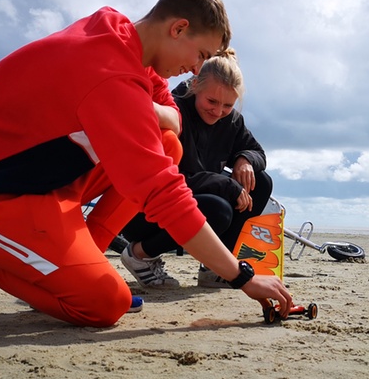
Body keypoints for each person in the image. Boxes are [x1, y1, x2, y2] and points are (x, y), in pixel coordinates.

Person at [0, 0, 293, 327]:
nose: (195, 69)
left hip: (42, 182)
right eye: (201, 54)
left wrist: (143, 107)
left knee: (166, 141)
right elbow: (166, 197)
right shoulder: (110, 76)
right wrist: (242, 276)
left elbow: (173, 118)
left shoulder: (119, 33)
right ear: (178, 28)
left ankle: (80, 266)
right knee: (102, 304)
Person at [117, 49, 273, 288]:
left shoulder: (230, 121)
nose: (218, 111)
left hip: (195, 198)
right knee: (218, 209)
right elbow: (174, 177)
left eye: (228, 105)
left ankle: (215, 268)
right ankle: (139, 255)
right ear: (196, 85)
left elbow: (257, 152)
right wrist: (227, 185)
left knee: (260, 182)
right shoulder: (174, 111)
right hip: (146, 212)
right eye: (212, 101)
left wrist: (245, 159)